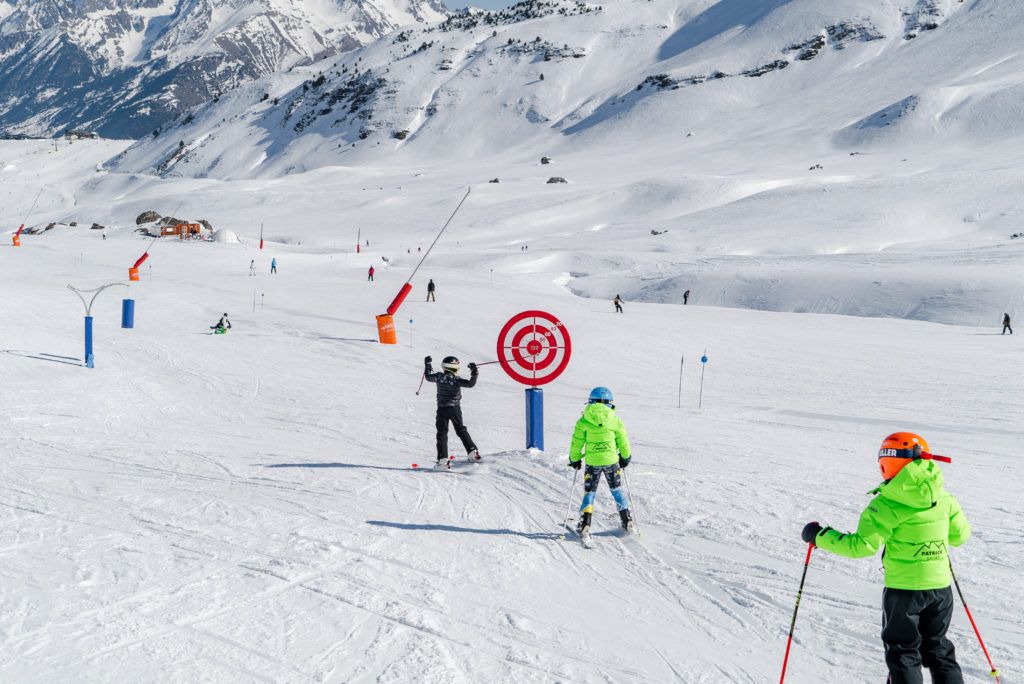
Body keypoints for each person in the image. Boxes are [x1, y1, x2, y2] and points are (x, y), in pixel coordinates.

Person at [801, 432, 970, 684]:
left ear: (888, 463)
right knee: (937, 647)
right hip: (940, 591)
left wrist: (819, 536)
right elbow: (960, 536)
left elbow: (860, 546)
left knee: (903, 652)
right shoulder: (943, 497)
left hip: (904, 592)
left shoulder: (886, 504)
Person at [568, 387, 633, 540]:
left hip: (593, 463)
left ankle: (585, 524)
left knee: (590, 492)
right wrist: (625, 457)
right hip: (611, 462)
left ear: (591, 401)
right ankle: (627, 520)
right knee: (617, 489)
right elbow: (623, 440)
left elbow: (577, 443)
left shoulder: (583, 421)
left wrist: (574, 459)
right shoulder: (615, 420)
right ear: (610, 402)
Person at [424, 355, 480, 468]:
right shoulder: (456, 379)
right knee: (461, 430)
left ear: (444, 366)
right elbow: (471, 384)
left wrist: (428, 364)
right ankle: (472, 452)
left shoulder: (438, 376)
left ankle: (443, 460)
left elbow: (428, 377)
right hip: (455, 409)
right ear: (456, 368)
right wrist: (474, 371)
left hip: (442, 409)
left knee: (442, 433)